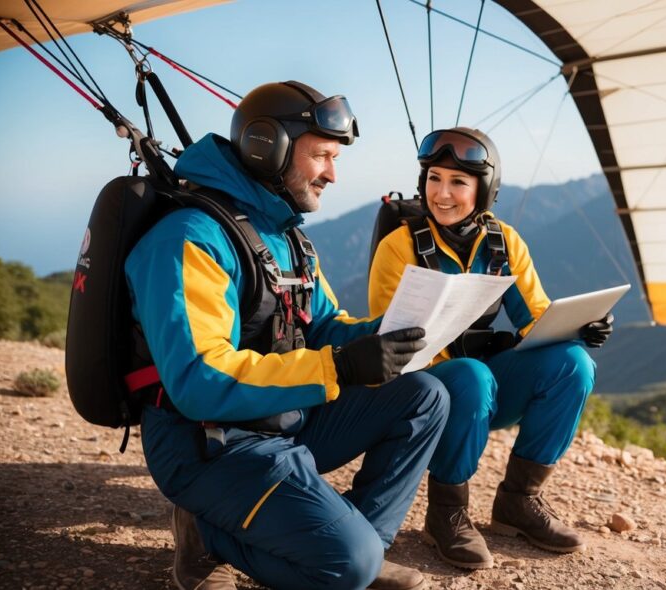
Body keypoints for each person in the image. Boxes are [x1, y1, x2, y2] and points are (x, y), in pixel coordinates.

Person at [126, 81, 449, 590]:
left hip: (279, 421)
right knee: (348, 566)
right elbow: (197, 379)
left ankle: (356, 541)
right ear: (266, 148)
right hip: (209, 443)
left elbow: (321, 325)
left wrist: (387, 338)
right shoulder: (189, 238)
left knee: (423, 395)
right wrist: (340, 367)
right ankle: (209, 533)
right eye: (321, 156)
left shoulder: (285, 235)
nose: (333, 174)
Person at [367, 127, 613, 570]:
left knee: (574, 364)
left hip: (484, 388)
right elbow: (393, 344)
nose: (442, 193)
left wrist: (581, 329)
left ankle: (518, 503)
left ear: (484, 189)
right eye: (434, 178)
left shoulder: (504, 242)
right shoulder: (398, 248)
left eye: (458, 182)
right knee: (471, 375)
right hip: (425, 392)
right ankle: (447, 514)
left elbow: (534, 317)